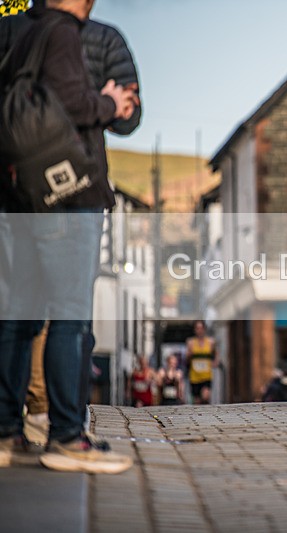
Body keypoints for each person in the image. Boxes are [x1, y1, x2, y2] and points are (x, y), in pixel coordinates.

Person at [0, 0, 134, 474]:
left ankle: (6, 432)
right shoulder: (64, 32)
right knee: (71, 317)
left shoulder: (13, 29)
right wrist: (111, 103)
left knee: (18, 315)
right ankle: (67, 438)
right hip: (69, 191)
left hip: (20, 194)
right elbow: (72, 102)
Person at [186, 320, 218, 405]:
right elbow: (187, 360)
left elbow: (215, 353)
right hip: (195, 376)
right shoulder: (191, 342)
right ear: (194, 330)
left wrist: (215, 362)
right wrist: (189, 356)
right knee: (197, 402)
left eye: (201, 328)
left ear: (204, 329)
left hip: (206, 375)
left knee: (206, 396)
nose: (199, 330)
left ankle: (207, 412)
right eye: (197, 328)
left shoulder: (210, 342)